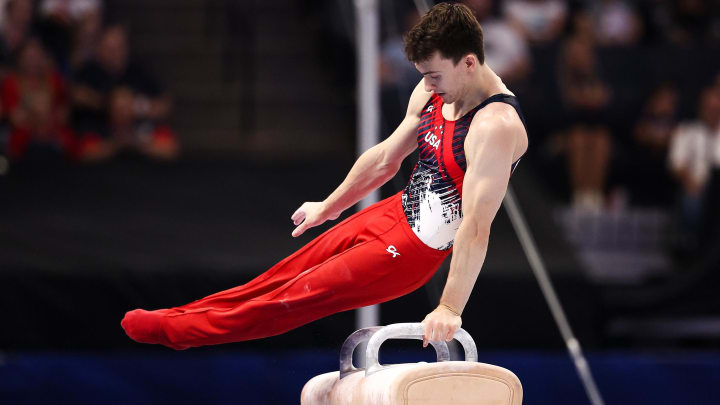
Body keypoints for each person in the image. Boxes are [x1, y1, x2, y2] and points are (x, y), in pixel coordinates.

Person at [121, 2, 528, 350]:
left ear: (470, 62)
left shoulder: (496, 127)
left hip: (412, 252)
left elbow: (475, 227)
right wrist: (329, 207)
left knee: (295, 297)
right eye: (423, 74)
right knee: (278, 277)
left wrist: (449, 307)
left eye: (434, 75)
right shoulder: (432, 92)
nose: (426, 85)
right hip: (391, 213)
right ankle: (177, 314)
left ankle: (179, 333)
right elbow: (387, 156)